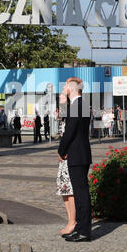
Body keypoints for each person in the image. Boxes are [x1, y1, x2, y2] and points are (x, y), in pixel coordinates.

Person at [58, 77, 92, 242]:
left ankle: (84, 231)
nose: (63, 88)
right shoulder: (81, 104)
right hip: (81, 153)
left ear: (71, 88)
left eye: (65, 86)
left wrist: (61, 149)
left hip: (77, 154)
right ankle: (79, 228)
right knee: (80, 194)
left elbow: (69, 132)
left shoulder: (77, 106)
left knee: (81, 194)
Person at [56, 90, 76, 236]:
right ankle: (70, 220)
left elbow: (72, 134)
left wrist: (63, 150)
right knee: (64, 189)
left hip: (70, 155)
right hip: (64, 157)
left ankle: (72, 221)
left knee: (70, 189)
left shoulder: (74, 111)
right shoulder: (65, 114)